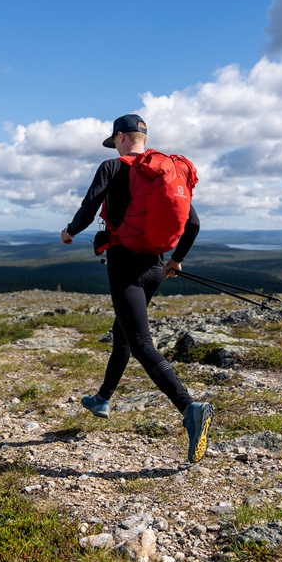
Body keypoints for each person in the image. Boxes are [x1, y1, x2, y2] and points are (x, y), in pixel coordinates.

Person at [61, 113, 214, 464]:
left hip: (125, 267)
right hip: (156, 267)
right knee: (124, 333)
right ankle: (102, 399)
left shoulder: (112, 167)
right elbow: (193, 223)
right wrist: (176, 260)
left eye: (114, 141)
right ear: (143, 138)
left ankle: (189, 408)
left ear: (119, 137)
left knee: (142, 343)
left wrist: (70, 231)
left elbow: (88, 208)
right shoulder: (162, 171)